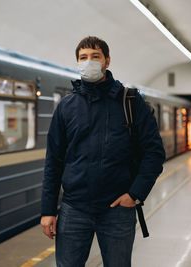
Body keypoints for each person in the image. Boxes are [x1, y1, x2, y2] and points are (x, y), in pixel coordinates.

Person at [40, 36, 165, 267]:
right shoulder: (66, 107)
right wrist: (48, 210)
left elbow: (154, 152)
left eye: (95, 56)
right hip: (74, 209)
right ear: (77, 63)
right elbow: (53, 161)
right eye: (83, 57)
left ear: (107, 61)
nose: (89, 62)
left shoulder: (130, 101)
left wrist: (135, 194)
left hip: (117, 209)